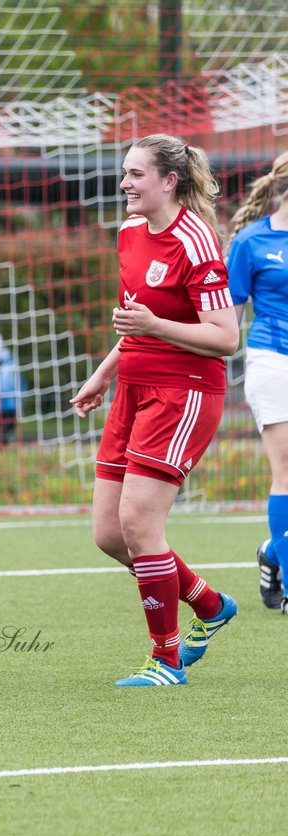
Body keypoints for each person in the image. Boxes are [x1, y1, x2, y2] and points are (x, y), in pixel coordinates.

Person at [72, 133, 240, 686]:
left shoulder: (196, 241)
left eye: (136, 174)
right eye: (124, 172)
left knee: (141, 524)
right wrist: (101, 376)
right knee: (109, 534)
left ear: (170, 181)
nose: (125, 183)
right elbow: (133, 318)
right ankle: (211, 605)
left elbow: (225, 337)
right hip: (133, 391)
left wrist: (154, 328)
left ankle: (165, 660)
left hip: (184, 392)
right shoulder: (127, 232)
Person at [225, 151, 288, 616]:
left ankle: (272, 551)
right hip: (272, 361)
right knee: (286, 470)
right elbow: (226, 323)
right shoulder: (250, 242)